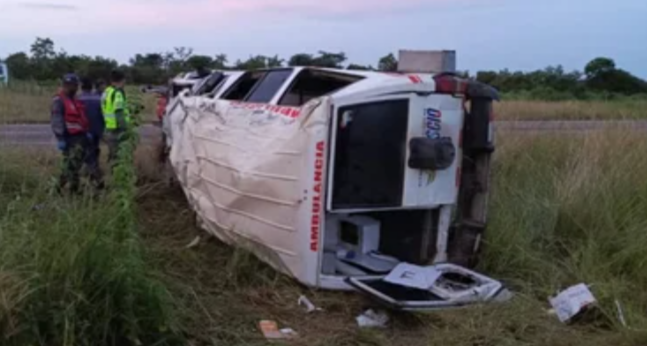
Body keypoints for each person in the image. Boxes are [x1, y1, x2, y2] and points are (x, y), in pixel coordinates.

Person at [51, 73, 102, 194]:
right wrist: (60, 138)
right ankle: (60, 188)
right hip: (69, 138)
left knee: (89, 161)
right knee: (71, 165)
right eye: (69, 85)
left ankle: (94, 187)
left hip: (82, 136)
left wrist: (86, 132)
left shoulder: (75, 99)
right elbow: (56, 120)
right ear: (64, 85)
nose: (72, 88)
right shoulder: (59, 100)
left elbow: (80, 117)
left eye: (74, 85)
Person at [102, 70, 134, 168]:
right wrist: (126, 129)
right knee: (118, 158)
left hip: (108, 128)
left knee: (113, 155)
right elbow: (119, 112)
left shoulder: (107, 91)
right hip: (117, 130)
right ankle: (115, 179)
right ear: (122, 80)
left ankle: (110, 176)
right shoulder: (117, 93)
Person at [78, 77, 105, 175]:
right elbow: (103, 115)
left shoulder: (78, 99)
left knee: (83, 150)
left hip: (83, 130)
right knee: (95, 149)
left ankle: (88, 170)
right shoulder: (98, 99)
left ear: (82, 87)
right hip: (97, 130)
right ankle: (94, 168)